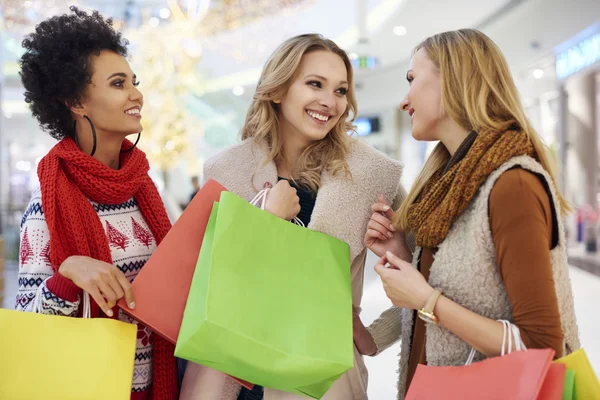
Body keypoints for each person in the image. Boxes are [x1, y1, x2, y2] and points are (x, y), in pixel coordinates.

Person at [179, 34, 413, 400]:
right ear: (277, 90)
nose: (329, 102)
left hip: (321, 379)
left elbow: (430, 272)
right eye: (314, 84)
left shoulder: (370, 173)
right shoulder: (225, 170)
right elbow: (199, 280)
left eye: (340, 90)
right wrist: (264, 220)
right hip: (232, 374)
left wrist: (374, 336)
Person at [356, 29, 580, 399]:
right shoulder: (445, 185)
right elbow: (451, 300)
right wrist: (402, 256)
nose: (404, 100)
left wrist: (427, 299)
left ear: (454, 79)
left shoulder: (513, 185)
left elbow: (543, 346)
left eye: (412, 79)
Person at [16, 7, 178, 399]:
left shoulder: (145, 191)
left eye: (133, 82)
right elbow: (27, 323)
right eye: (118, 83)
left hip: (159, 387)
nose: (136, 94)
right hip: (90, 387)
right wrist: (68, 273)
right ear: (77, 101)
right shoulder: (46, 208)